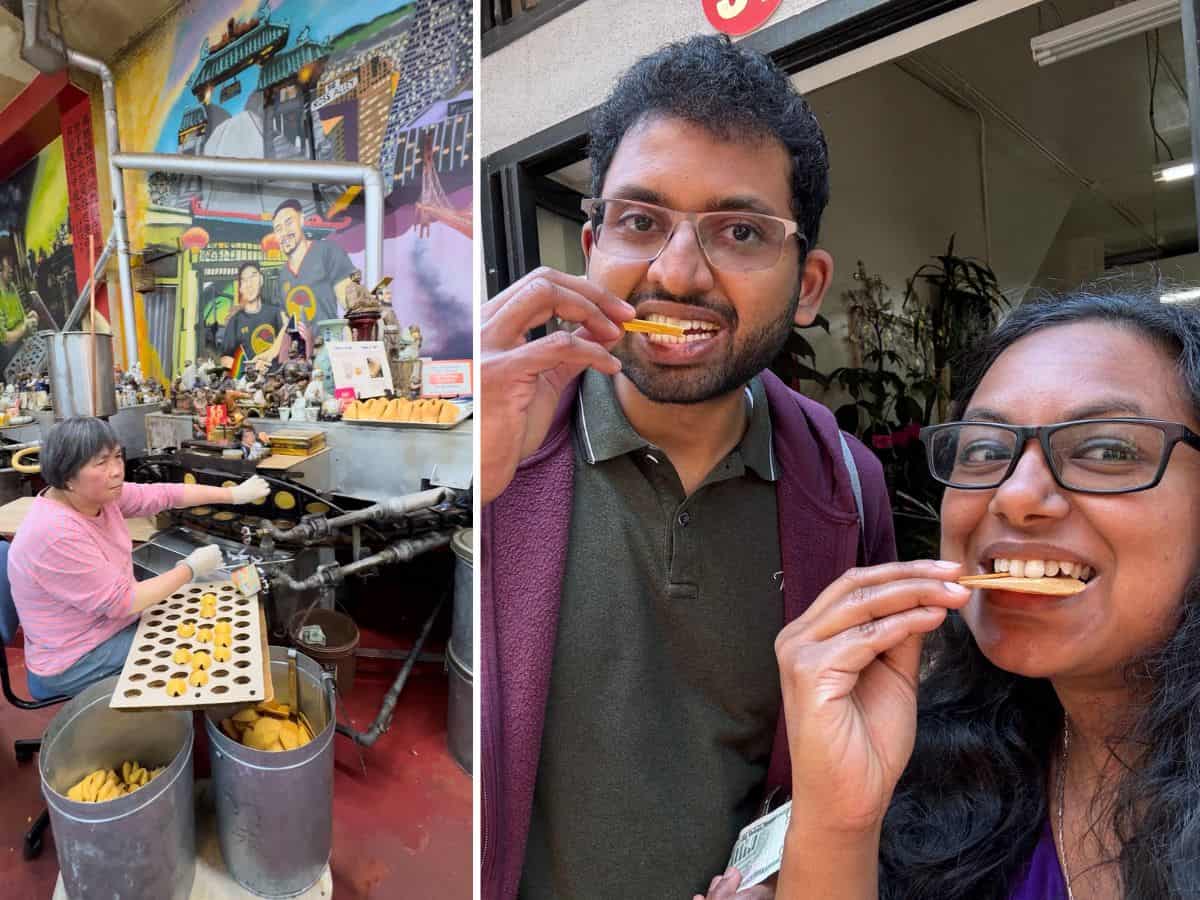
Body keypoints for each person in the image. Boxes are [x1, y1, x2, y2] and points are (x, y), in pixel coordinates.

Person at [480, 35, 896, 900]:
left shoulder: (849, 493)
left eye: (739, 231)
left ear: (808, 284)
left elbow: (839, 775)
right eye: (640, 221)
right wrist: (464, 484)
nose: (676, 272)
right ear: (592, 245)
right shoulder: (498, 447)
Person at [770, 291, 1200, 900]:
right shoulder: (948, 759)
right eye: (985, 450)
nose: (1015, 496)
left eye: (1107, 450)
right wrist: (840, 821)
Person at [8, 417, 271, 699]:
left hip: (106, 624)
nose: (116, 471)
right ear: (67, 476)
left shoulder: (94, 496)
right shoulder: (56, 533)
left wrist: (232, 494)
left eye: (117, 457)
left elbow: (161, 495)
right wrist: (190, 568)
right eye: (101, 463)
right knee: (193, 645)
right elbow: (124, 602)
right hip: (76, 656)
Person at [272, 199, 356, 324]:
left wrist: (349, 343)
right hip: (299, 343)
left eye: (289, 222)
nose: (284, 232)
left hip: (328, 341)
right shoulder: (282, 276)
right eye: (278, 229)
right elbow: (286, 324)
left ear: (301, 220)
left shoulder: (328, 252)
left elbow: (352, 309)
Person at [220, 261, 287, 376]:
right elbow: (227, 359)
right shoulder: (235, 321)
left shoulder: (275, 312)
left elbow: (288, 340)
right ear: (240, 287)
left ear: (261, 280)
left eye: (253, 277)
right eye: (244, 280)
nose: (249, 284)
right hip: (250, 381)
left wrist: (270, 355)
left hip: (278, 379)